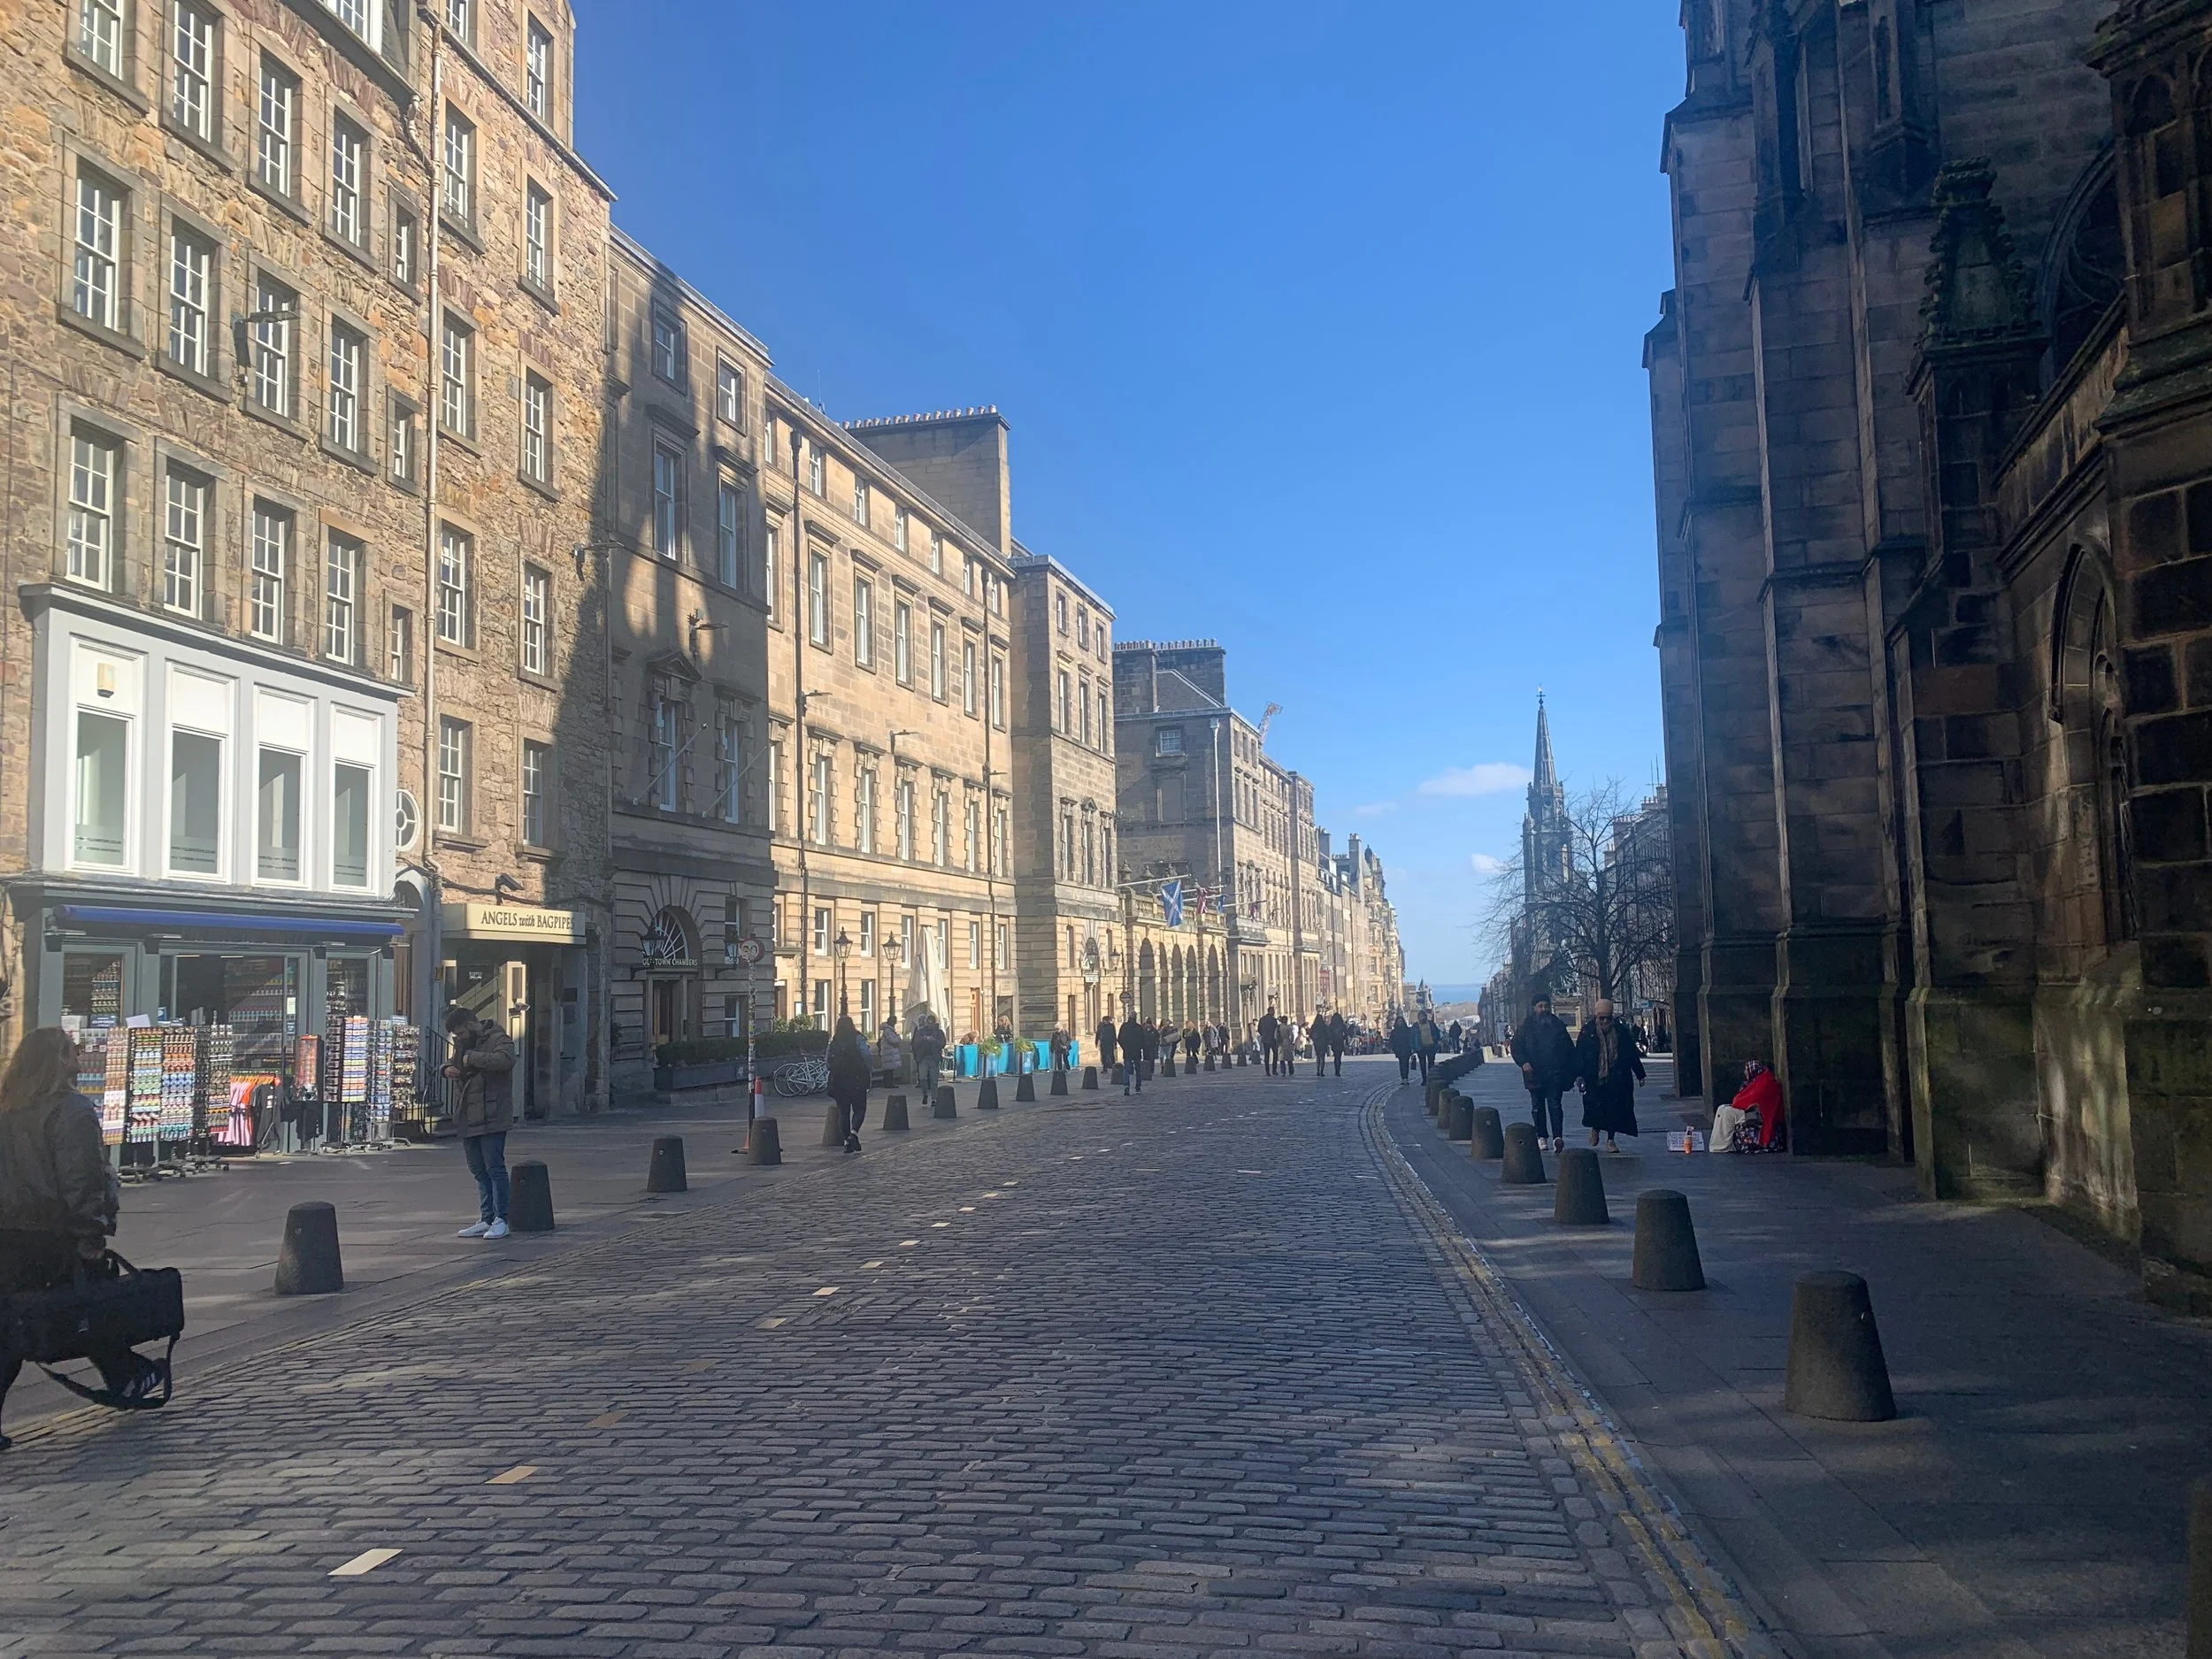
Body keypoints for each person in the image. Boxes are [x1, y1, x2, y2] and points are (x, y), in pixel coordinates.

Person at [0, 1027, 162, 1446]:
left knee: (12, 1323)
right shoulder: (71, 1110)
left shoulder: (7, 1107)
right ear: (58, 1059)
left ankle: (127, 1373)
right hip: (56, 1232)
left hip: (9, 1234)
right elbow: (83, 1177)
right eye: (72, 1052)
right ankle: (126, 1374)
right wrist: (91, 1231)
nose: (78, 1059)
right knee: (90, 1305)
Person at [442, 1005, 516, 1239]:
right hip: (468, 1114)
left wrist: (472, 1058)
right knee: (478, 1170)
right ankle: (486, 1218)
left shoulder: (498, 1038)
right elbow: (454, 1062)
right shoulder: (463, 1043)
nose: (459, 1038)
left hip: (492, 1113)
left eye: (461, 1032)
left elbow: (505, 1060)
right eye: (456, 1035)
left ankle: (502, 1218)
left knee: (495, 1168)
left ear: (471, 1024)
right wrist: (447, 1069)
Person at [1574, 999, 1646, 1152]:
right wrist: (1579, 1075)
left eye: (1608, 1018)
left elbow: (1631, 1053)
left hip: (1616, 1076)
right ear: (1597, 1016)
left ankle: (1611, 1140)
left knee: (1614, 1109)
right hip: (1594, 1077)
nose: (1605, 1021)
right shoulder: (1587, 1031)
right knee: (1596, 1107)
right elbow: (1579, 1055)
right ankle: (1595, 1129)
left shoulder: (1620, 1031)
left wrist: (1640, 1074)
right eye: (1602, 1018)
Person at [1510, 995, 1576, 1154]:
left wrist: (1571, 1071)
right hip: (1534, 1072)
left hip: (1554, 1072)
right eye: (1540, 1006)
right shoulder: (1526, 1027)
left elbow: (1568, 1049)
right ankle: (1541, 1136)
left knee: (1555, 1105)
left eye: (1546, 1006)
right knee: (1537, 1107)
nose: (1544, 1009)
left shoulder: (1557, 1025)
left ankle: (1557, 1137)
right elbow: (1516, 1046)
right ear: (1534, 1008)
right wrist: (1524, 1062)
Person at [1714, 1060, 1784, 1153]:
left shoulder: (1765, 1082)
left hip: (1760, 1115)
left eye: (1746, 1070)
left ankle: (1725, 1146)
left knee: (1728, 1113)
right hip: (1752, 1110)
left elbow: (1748, 1100)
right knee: (1722, 1108)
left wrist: (1738, 1102)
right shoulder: (1756, 1081)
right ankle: (1718, 1143)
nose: (1744, 1073)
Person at [827, 1016, 871, 1153]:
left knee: (843, 1112)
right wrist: (868, 1070)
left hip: (839, 1081)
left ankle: (847, 1142)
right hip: (857, 1079)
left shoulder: (834, 1041)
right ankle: (853, 1133)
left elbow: (827, 1062)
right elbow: (867, 1056)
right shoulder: (858, 1038)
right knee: (860, 1109)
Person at [912, 1010, 946, 1095]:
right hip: (923, 1058)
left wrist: (934, 1040)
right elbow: (915, 1043)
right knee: (922, 1078)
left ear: (934, 1023)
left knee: (934, 1080)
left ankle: (934, 1097)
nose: (929, 1025)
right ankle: (925, 1094)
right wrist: (923, 1039)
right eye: (928, 1023)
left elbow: (942, 1044)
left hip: (934, 1058)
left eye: (931, 1023)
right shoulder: (921, 1032)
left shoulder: (939, 1032)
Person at [1118, 1010, 1146, 1095]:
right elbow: (1143, 1040)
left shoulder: (1124, 1027)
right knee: (1138, 1070)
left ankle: (1126, 1086)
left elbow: (1120, 1039)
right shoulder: (1139, 1027)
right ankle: (1138, 1088)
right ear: (1136, 1017)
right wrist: (1140, 1047)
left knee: (1126, 1070)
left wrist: (1124, 1047)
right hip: (1136, 1052)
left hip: (1127, 1051)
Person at [1413, 1011, 1441, 1083]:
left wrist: (1436, 1039)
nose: (1422, 1018)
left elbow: (1437, 1032)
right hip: (1421, 1047)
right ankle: (1424, 1079)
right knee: (1422, 1064)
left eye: (1423, 1016)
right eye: (1421, 1016)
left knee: (1431, 1063)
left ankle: (1430, 1078)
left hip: (1431, 1046)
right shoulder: (1415, 1025)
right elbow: (1412, 1036)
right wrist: (1413, 1046)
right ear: (1418, 1017)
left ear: (1426, 1017)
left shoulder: (1431, 1024)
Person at [1388, 1015, 1415, 1083]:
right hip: (1399, 1050)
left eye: (1401, 1021)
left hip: (1407, 1049)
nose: (1400, 1023)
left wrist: (1412, 1047)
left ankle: (1406, 1077)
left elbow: (1411, 1039)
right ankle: (1403, 1077)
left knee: (1406, 1063)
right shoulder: (1394, 1031)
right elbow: (1392, 1041)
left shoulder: (1407, 1030)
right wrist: (1393, 1048)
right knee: (1401, 1063)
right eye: (1399, 1022)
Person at [1094, 1012, 1120, 1082]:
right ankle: (1104, 1068)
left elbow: (1114, 1034)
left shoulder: (1111, 1026)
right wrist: (1096, 1042)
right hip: (1103, 1043)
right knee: (1104, 1056)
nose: (1109, 1021)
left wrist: (1115, 1043)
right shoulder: (1100, 1026)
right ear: (1104, 1020)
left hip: (1110, 1043)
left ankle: (1114, 1068)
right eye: (1108, 1020)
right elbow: (1098, 1034)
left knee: (1111, 1055)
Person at [1257, 1008, 1280, 1075]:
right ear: (1270, 1011)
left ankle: (1267, 1071)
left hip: (1265, 1039)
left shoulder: (1262, 1019)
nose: (1274, 1012)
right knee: (1275, 1055)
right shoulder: (1274, 1020)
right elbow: (1276, 1030)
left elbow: (1259, 1029)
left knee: (1266, 1055)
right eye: (1273, 1011)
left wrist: (1263, 1034)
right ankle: (1274, 1070)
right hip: (1273, 1039)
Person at [1327, 1010, 1348, 1075]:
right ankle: (1338, 1071)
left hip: (1334, 1042)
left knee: (1336, 1057)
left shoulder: (1331, 1025)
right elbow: (1346, 1033)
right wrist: (1343, 1038)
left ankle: (1336, 1070)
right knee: (1339, 1057)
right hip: (1340, 1042)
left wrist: (1330, 1040)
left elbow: (1328, 1034)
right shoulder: (1342, 1025)